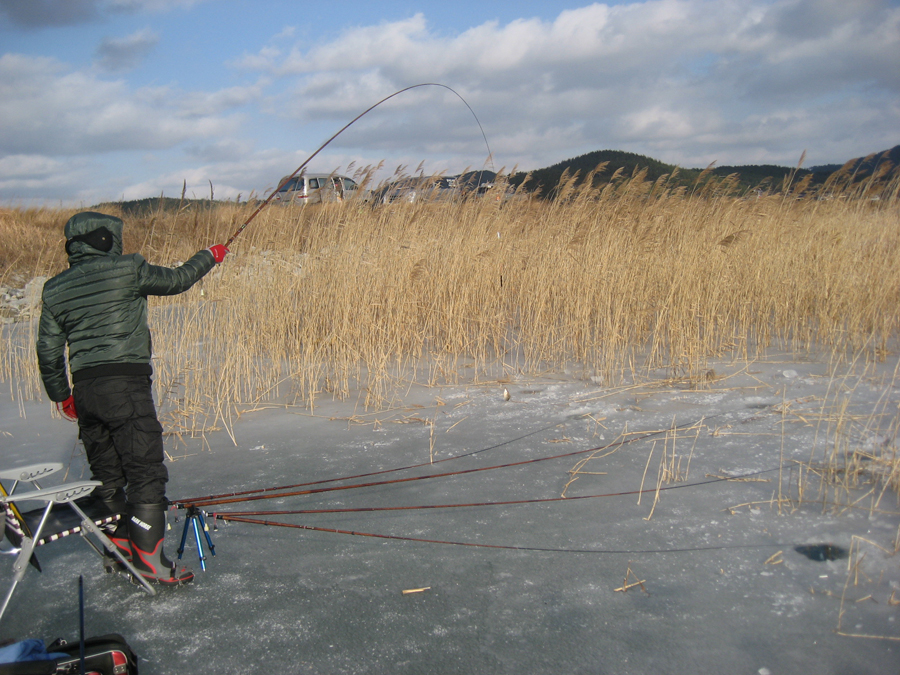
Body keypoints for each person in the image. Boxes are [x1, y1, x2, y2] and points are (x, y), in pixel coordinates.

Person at [36, 211, 229, 585]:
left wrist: (62, 395)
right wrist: (210, 255)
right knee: (145, 469)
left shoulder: (54, 288)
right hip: (126, 385)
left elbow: (48, 349)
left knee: (107, 474)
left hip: (86, 391)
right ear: (105, 239)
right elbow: (178, 280)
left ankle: (121, 542)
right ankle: (149, 560)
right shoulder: (128, 269)